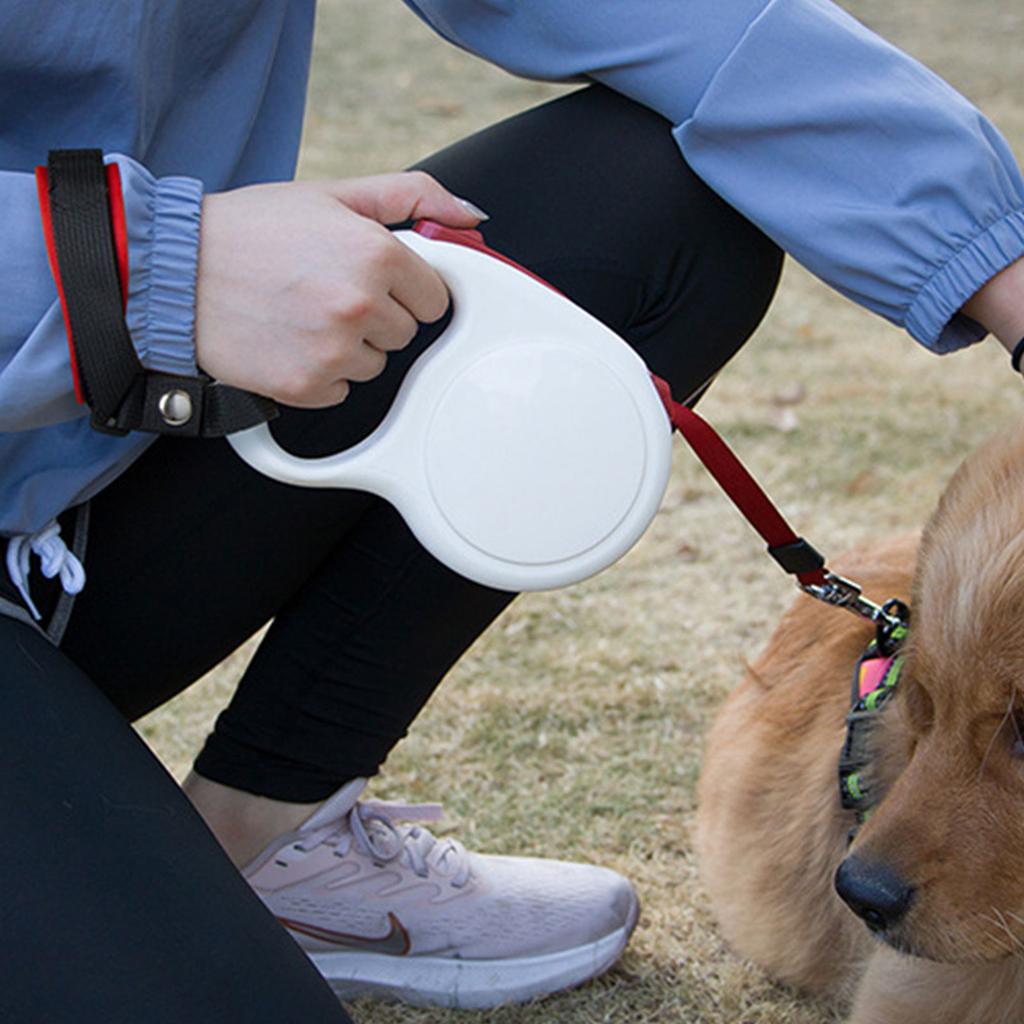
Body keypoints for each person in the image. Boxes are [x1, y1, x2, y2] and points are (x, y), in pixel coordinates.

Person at [2, 2, 1022, 1022]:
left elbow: (700, 27)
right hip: (108, 302)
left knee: (659, 195)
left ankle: (265, 831)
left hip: (80, 489)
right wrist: (124, 266)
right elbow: (127, 268)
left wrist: (1002, 261)